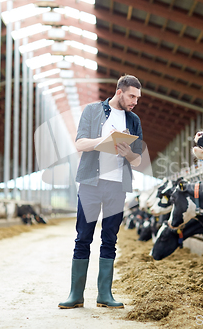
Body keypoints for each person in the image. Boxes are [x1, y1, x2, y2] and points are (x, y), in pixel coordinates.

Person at [59, 75, 143, 309]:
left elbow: (137, 161)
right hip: (90, 184)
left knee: (110, 239)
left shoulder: (134, 120)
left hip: (117, 186)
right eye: (131, 96)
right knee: (83, 237)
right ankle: (75, 295)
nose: (135, 101)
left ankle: (104, 295)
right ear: (119, 92)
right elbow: (79, 144)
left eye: (137, 97)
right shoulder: (93, 111)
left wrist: (127, 153)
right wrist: (104, 141)